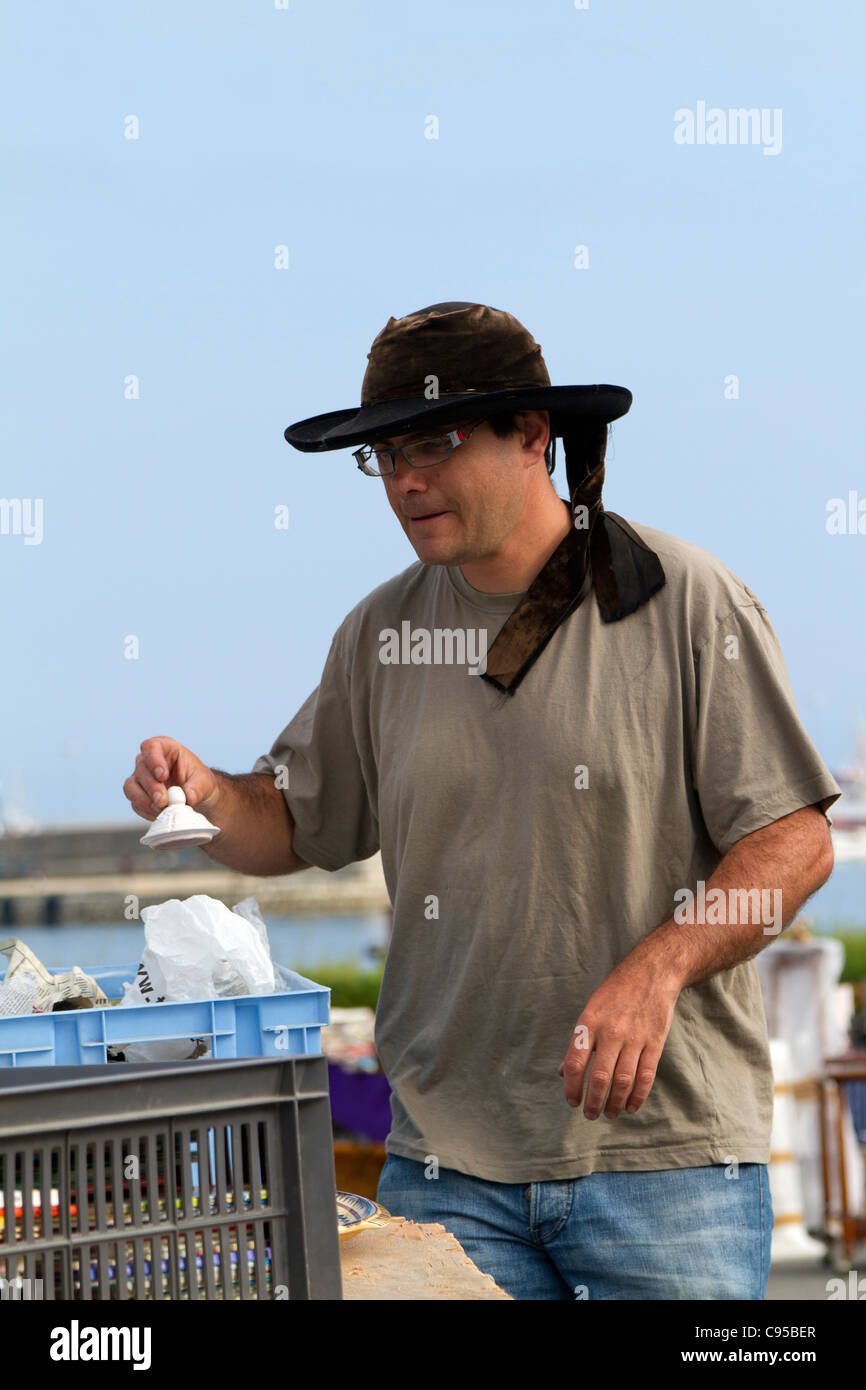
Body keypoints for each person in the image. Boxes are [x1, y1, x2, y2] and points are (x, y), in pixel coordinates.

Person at [124, 301, 839, 1301]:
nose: (405, 480)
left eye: (435, 443)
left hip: (666, 1167)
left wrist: (657, 967)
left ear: (532, 435)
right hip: (444, 1168)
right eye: (383, 455)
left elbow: (793, 841)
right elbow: (293, 818)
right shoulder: (378, 632)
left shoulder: (684, 599)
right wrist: (203, 793)